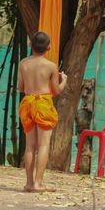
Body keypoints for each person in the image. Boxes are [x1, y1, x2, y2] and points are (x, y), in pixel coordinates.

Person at [18, 31, 67, 192]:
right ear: (49, 47)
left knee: (30, 146)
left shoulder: (23, 63)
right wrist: (64, 80)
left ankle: (28, 184)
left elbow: (21, 87)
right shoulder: (51, 66)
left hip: (28, 103)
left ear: (30, 45)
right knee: (43, 145)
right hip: (43, 104)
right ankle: (38, 184)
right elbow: (57, 90)